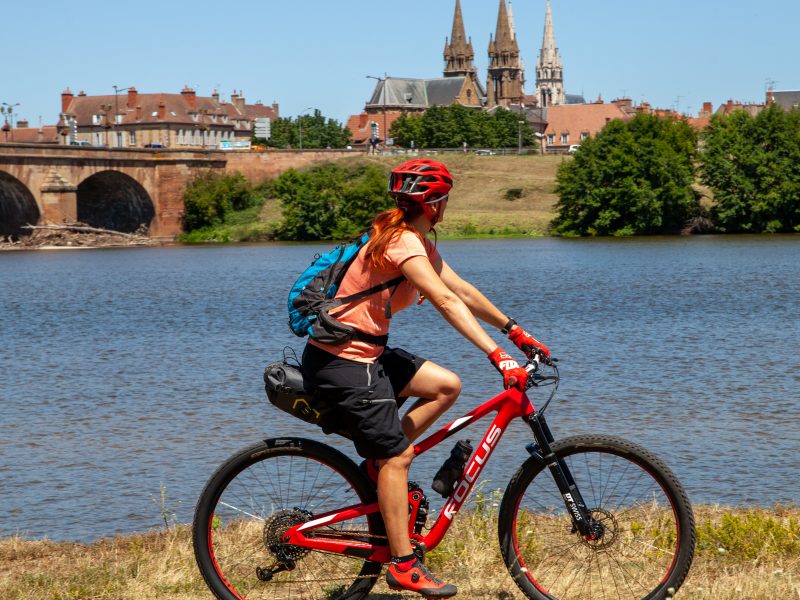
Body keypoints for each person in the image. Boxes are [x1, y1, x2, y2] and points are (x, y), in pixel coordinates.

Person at [301, 158, 550, 598]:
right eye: (445, 199)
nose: (447, 205)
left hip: (367, 354)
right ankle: (402, 564)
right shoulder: (401, 243)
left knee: (445, 385)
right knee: (399, 458)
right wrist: (499, 357)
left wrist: (514, 331)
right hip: (341, 362)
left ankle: (383, 465)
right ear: (433, 203)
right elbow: (443, 301)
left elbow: (463, 291)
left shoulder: (414, 240)